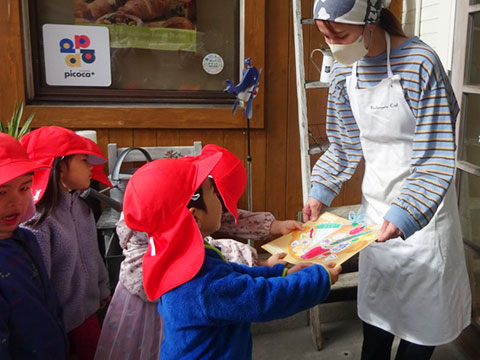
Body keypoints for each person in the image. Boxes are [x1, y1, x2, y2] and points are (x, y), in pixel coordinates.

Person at [302, 1, 471, 359]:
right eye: (324, 35)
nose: (333, 45)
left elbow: (436, 154)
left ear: (370, 23)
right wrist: (320, 191)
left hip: (424, 220)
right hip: (375, 217)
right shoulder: (346, 71)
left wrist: (405, 213)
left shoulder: (419, 64)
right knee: (376, 329)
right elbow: (344, 145)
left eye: (340, 34)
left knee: (420, 333)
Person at [122, 152, 342, 359]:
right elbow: (263, 299)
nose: (220, 198)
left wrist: (277, 272)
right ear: (194, 216)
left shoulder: (179, 255)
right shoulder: (201, 287)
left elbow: (232, 273)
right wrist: (318, 279)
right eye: (213, 193)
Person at [20, 126, 112, 360]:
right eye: (83, 160)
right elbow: (39, 284)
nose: (91, 167)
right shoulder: (37, 221)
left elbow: (94, 254)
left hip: (89, 316)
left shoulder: (82, 209)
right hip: (58, 326)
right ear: (60, 166)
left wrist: (102, 288)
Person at [0, 133, 67, 359]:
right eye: (1, 192)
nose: (15, 201)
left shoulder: (26, 239)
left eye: (24, 188)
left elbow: (48, 298)